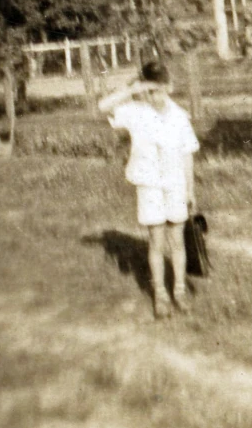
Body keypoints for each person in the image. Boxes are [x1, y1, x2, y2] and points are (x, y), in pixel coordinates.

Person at [98, 60, 199, 319]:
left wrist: (190, 190)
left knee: (177, 242)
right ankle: (160, 296)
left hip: (175, 184)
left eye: (160, 90)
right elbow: (102, 106)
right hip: (149, 183)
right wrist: (133, 88)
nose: (155, 96)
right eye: (150, 91)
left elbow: (187, 154)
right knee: (156, 241)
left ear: (170, 87)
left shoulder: (180, 116)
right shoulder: (136, 111)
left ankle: (179, 292)